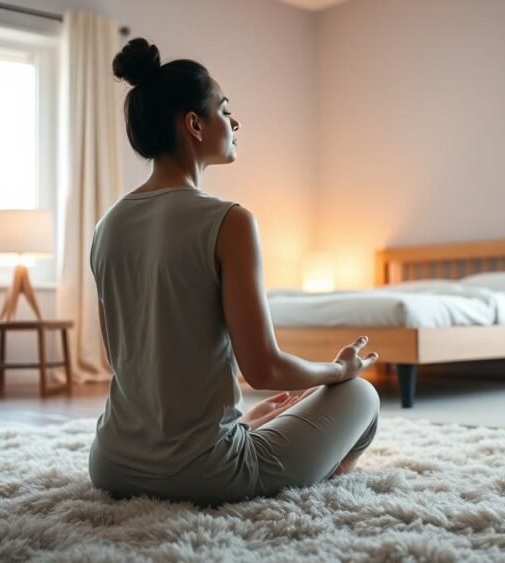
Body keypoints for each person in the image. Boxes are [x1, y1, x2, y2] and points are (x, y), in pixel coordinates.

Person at [88, 38, 380, 507]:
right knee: (362, 396)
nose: (235, 122)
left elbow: (121, 362)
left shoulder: (107, 226)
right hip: (206, 474)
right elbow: (264, 369)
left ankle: (251, 437)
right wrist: (338, 369)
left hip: (110, 464)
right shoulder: (229, 221)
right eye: (225, 110)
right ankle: (318, 478)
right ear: (194, 125)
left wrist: (242, 423)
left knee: (271, 412)